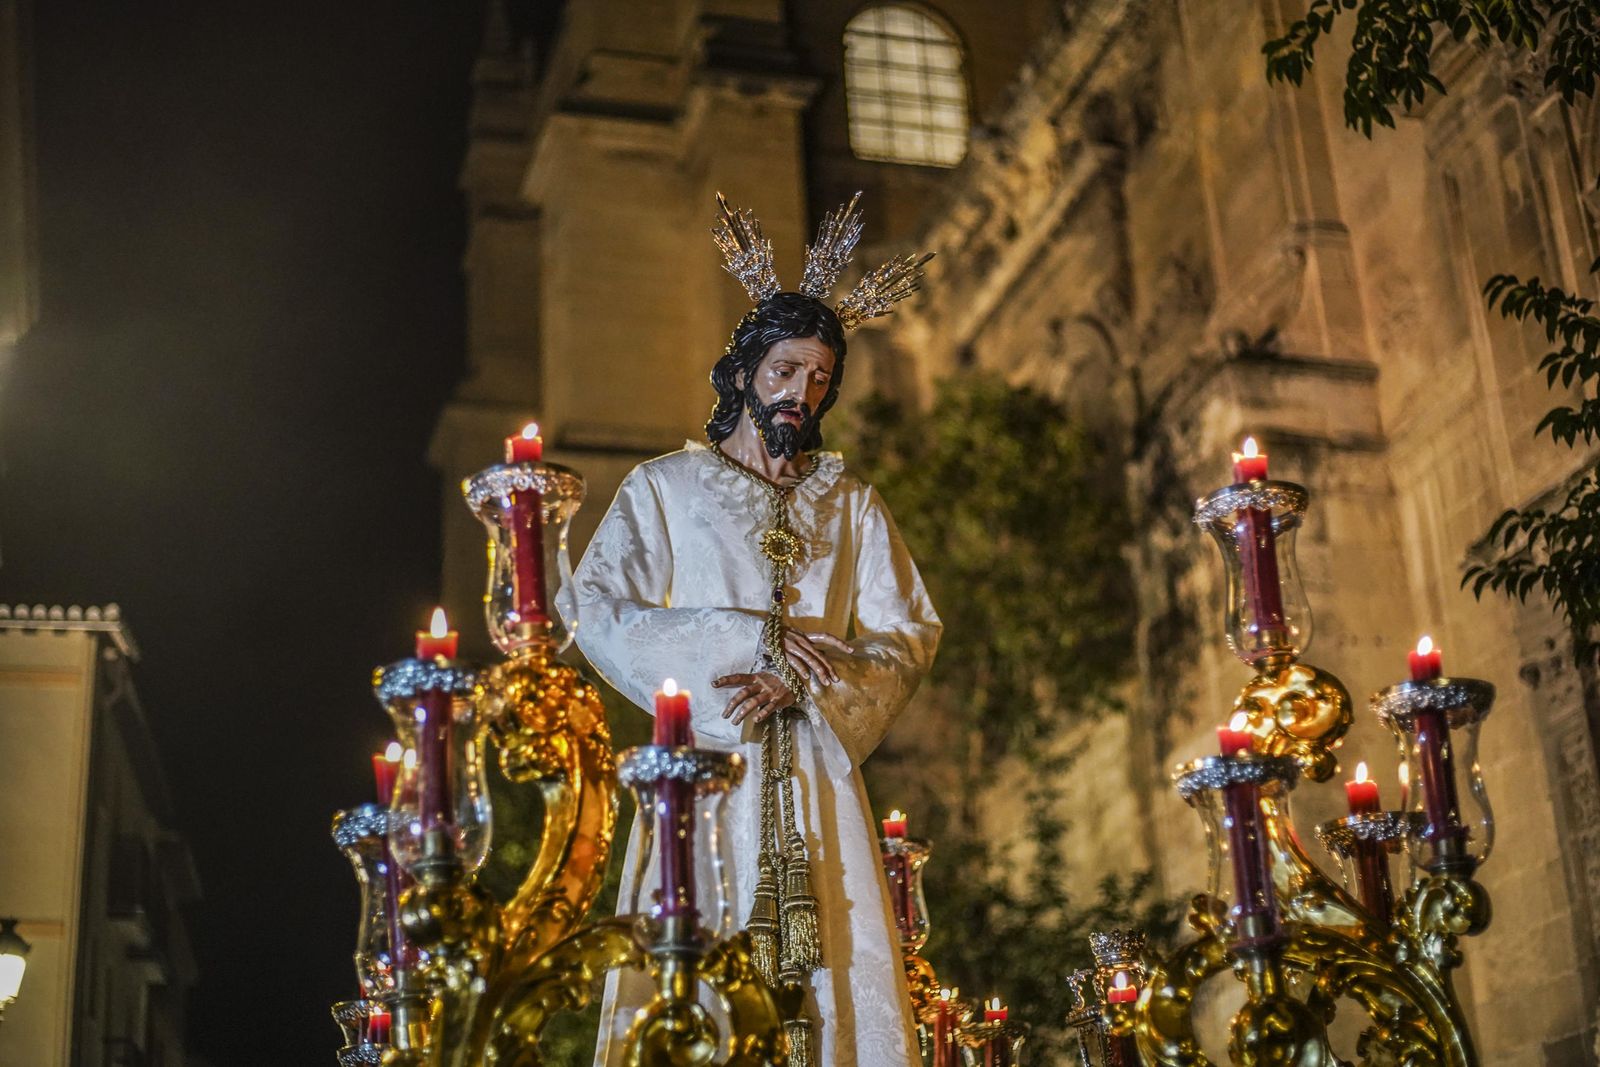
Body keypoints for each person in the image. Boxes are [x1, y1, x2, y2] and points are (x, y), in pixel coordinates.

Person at [571, 194, 940, 1067]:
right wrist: (747, 642)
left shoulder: (850, 503)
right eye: (784, 371)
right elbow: (596, 607)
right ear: (743, 373)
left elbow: (909, 630)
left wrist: (808, 678)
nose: (800, 393)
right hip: (705, 774)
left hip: (817, 774)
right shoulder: (665, 488)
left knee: (837, 990)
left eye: (819, 377)